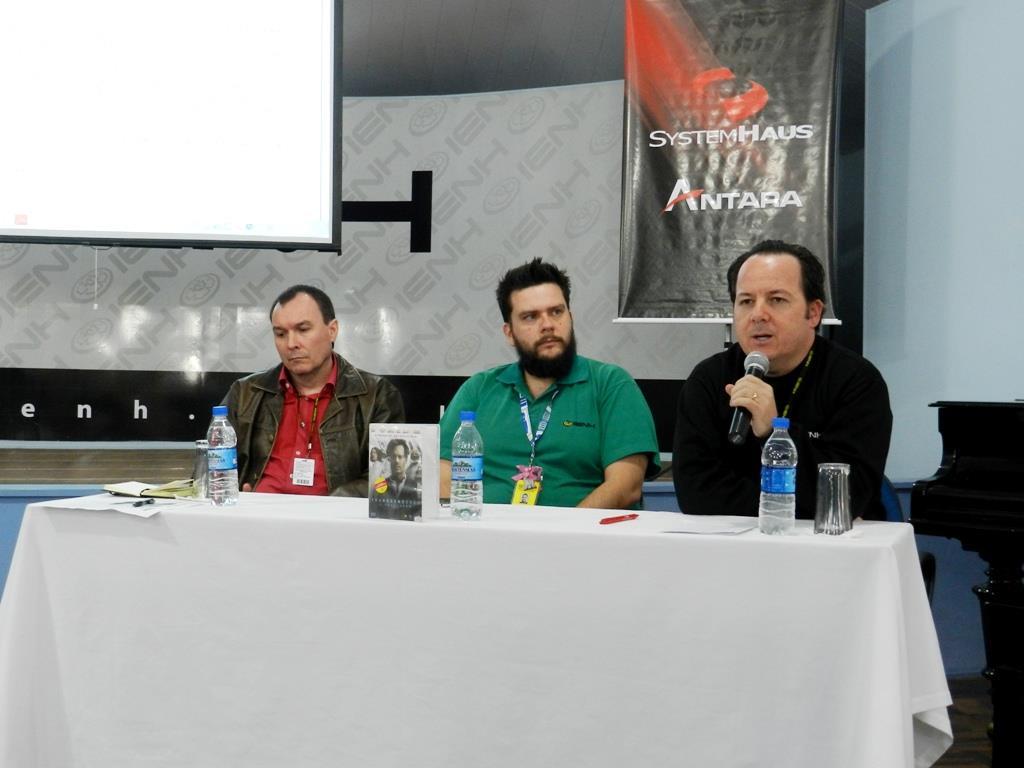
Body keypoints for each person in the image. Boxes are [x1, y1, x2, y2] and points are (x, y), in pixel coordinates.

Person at [672, 240, 892, 520]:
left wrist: (773, 432)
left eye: (776, 300)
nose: (758, 315)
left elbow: (845, 496)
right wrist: (783, 506)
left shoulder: (856, 381)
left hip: (833, 542)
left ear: (813, 313)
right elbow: (696, 494)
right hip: (734, 542)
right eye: (746, 301)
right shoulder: (709, 380)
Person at [439, 258, 660, 509]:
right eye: (530, 317)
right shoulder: (479, 388)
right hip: (488, 531)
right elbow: (443, 477)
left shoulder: (611, 384)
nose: (547, 325)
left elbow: (625, 486)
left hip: (584, 533)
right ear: (509, 333)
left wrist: (562, 531)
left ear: (570, 317)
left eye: (556, 312)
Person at [223, 284, 405, 496]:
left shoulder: (377, 395)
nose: (291, 343)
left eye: (303, 330)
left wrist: (331, 504)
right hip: (257, 511)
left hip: (336, 514)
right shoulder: (245, 393)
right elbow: (212, 464)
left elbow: (386, 477)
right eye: (280, 334)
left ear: (332, 331)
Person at [371, 438, 421, 520]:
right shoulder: (380, 485)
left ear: (406, 459)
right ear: (389, 459)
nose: (396, 461)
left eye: (400, 457)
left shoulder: (416, 487)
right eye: (393, 456)